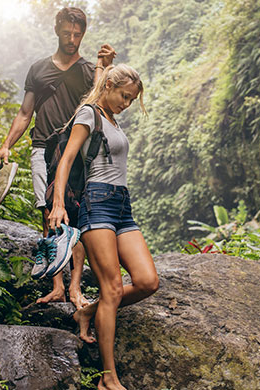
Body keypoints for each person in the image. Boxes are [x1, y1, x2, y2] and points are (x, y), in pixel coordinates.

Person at [0, 7, 115, 309]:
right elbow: (25, 113)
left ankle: (75, 287)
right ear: (57, 30)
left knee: (76, 214)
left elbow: (99, 105)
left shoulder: (88, 71)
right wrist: (6, 145)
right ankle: (57, 285)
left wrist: (104, 67)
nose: (72, 39)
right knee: (49, 214)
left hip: (75, 153)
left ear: (83, 34)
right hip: (41, 147)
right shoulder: (38, 69)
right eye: (67, 33)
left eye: (78, 34)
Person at [48, 64, 159, 390]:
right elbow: (67, 160)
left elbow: (146, 284)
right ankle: (108, 379)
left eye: (131, 98)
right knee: (112, 288)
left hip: (122, 205)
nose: (126, 102)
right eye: (124, 95)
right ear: (108, 86)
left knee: (148, 281)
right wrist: (57, 204)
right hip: (96, 203)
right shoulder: (88, 114)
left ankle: (88, 313)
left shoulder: (112, 119)